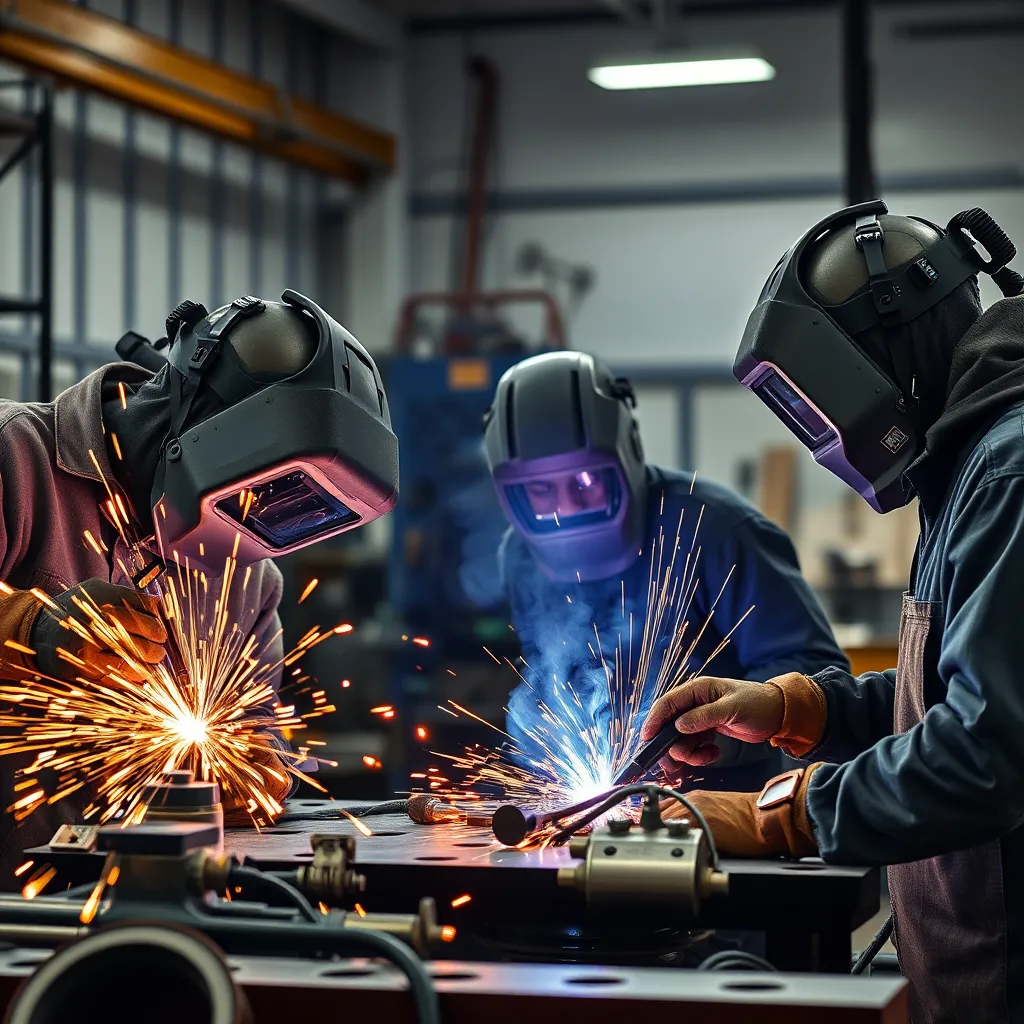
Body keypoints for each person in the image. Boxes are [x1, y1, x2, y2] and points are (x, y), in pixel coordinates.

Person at [641, 200, 1024, 1023]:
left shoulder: (1009, 471)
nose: (828, 439)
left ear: (887, 356)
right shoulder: (969, 461)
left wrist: (779, 815)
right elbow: (962, 699)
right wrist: (793, 707)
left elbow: (987, 754)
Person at [0, 291, 398, 869]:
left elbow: (259, 740)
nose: (250, 533)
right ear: (204, 428)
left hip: (139, 913)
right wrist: (31, 634)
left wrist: (253, 777)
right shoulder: (14, 460)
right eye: (258, 492)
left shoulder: (249, 580)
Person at [480, 350, 848, 792]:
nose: (566, 508)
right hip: (602, 804)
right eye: (539, 490)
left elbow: (819, 681)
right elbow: (551, 676)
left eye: (584, 482)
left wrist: (711, 730)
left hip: (728, 805)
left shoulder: (718, 532)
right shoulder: (519, 557)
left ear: (626, 451)